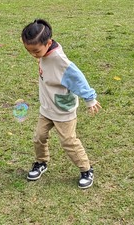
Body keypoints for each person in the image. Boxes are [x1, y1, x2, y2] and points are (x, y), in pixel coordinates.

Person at [21, 19, 101, 189]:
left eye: (36, 51)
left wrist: (90, 98)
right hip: (47, 109)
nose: (33, 55)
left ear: (48, 43)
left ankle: (86, 170)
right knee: (39, 137)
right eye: (29, 51)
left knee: (68, 142)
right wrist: (37, 54)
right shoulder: (44, 52)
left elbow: (77, 78)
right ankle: (41, 162)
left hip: (63, 110)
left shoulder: (60, 61)